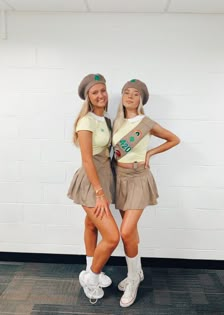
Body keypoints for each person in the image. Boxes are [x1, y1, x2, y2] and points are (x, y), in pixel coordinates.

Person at [112, 79, 180, 308]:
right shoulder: (116, 123)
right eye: (126, 93)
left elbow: (174, 139)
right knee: (130, 233)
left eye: (135, 94)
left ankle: (133, 280)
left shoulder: (146, 122)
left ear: (141, 99)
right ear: (122, 96)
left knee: (126, 231)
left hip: (139, 178)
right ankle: (137, 272)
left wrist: (150, 152)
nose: (130, 96)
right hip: (119, 179)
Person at [68, 73, 120, 303]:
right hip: (92, 182)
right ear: (88, 97)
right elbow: (88, 160)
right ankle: (91, 277)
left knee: (91, 225)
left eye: (103, 90)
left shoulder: (105, 119)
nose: (100, 95)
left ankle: (91, 268)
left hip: (104, 178)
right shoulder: (86, 121)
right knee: (112, 236)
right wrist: (99, 193)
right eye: (95, 92)